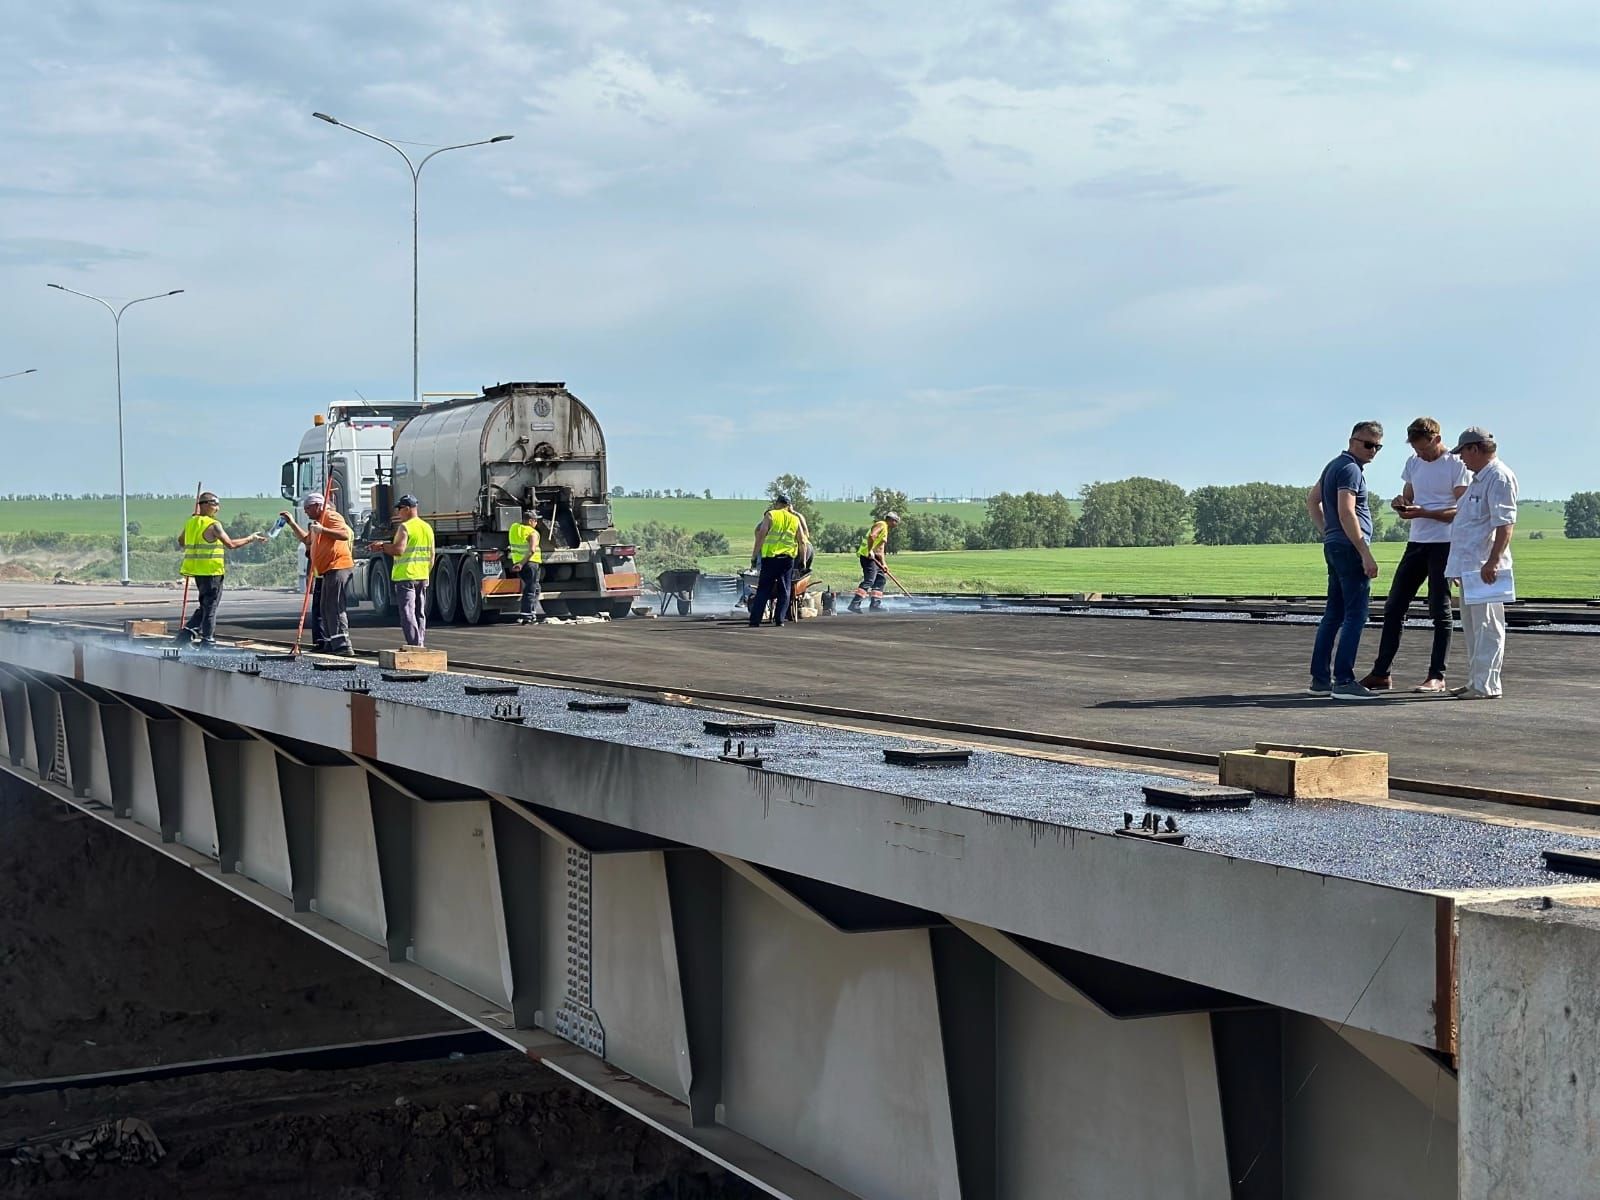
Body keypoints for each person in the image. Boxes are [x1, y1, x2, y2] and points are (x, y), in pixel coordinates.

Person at [1359, 418, 1472, 694]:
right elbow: (1408, 496)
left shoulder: (1455, 465)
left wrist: (1425, 513)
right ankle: (1381, 672)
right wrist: (1401, 504)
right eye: (1416, 450)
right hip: (1417, 541)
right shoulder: (1413, 463)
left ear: (1436, 439)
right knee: (1394, 606)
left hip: (1444, 544)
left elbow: (1461, 510)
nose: (1420, 454)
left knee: (1439, 609)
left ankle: (1437, 676)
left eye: (1423, 449)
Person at [1305, 422, 1384, 700]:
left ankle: (1320, 679)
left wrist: (1327, 531)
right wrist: (1365, 551)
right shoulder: (1350, 469)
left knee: (1334, 613)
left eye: (1378, 446)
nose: (1373, 450)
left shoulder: (1333, 466)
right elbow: (1347, 511)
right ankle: (1344, 679)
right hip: (1350, 547)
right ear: (1353, 441)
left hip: (1335, 545)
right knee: (1356, 614)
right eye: (1368, 444)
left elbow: (1312, 500)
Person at [1445, 428, 1518, 700]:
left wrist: (1493, 561)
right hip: (1471, 568)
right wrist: (1458, 568)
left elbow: (1505, 523)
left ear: (1474, 449)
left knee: (1488, 626)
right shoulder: (1479, 480)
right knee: (1474, 627)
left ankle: (1487, 684)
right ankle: (1476, 680)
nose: (1461, 458)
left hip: (1485, 567)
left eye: (1463, 451)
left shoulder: (1499, 477)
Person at [175, 493, 266, 646]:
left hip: (198, 572)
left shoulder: (191, 522)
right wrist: (251, 538)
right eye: (214, 503)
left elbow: (181, 541)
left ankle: (185, 635)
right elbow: (231, 544)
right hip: (212, 572)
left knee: (206, 605)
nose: (217, 508)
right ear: (203, 504)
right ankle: (207, 641)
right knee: (210, 607)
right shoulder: (213, 525)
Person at [280, 493, 355, 655]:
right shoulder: (316, 523)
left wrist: (322, 530)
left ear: (317, 505)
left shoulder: (331, 515)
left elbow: (344, 534)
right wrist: (292, 523)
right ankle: (330, 642)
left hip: (338, 566)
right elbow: (307, 541)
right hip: (327, 569)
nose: (306, 512)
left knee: (334, 605)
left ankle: (342, 644)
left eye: (308, 508)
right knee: (325, 607)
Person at [369, 494, 435, 647]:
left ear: (407, 509)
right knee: (419, 612)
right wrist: (426, 573)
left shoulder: (405, 527)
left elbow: (398, 550)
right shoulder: (427, 527)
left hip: (405, 577)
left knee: (407, 613)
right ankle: (420, 643)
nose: (398, 513)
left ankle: (414, 645)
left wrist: (381, 546)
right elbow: (432, 555)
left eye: (399, 509)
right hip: (422, 576)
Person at [747, 494, 810, 628]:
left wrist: (754, 556)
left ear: (777, 504)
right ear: (788, 506)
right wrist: (803, 560)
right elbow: (803, 541)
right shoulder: (795, 519)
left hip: (770, 558)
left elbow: (761, 535)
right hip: (787, 560)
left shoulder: (770, 515)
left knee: (763, 589)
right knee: (785, 589)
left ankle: (755, 620)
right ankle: (779, 620)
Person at [848, 512, 901, 612]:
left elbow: (880, 549)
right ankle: (854, 604)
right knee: (870, 580)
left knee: (881, 579)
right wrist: (869, 550)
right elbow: (872, 536)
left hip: (875, 558)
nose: (896, 524)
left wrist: (884, 564)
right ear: (891, 520)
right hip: (868, 557)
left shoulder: (885, 529)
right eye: (896, 522)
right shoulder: (881, 524)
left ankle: (875, 605)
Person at [507, 507, 545, 625]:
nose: (536, 522)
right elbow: (532, 550)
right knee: (531, 589)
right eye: (535, 520)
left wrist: (519, 564)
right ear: (530, 521)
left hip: (519, 563)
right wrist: (522, 564)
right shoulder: (532, 533)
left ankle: (530, 613)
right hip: (530, 563)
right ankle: (527, 616)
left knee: (535, 587)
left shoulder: (514, 528)